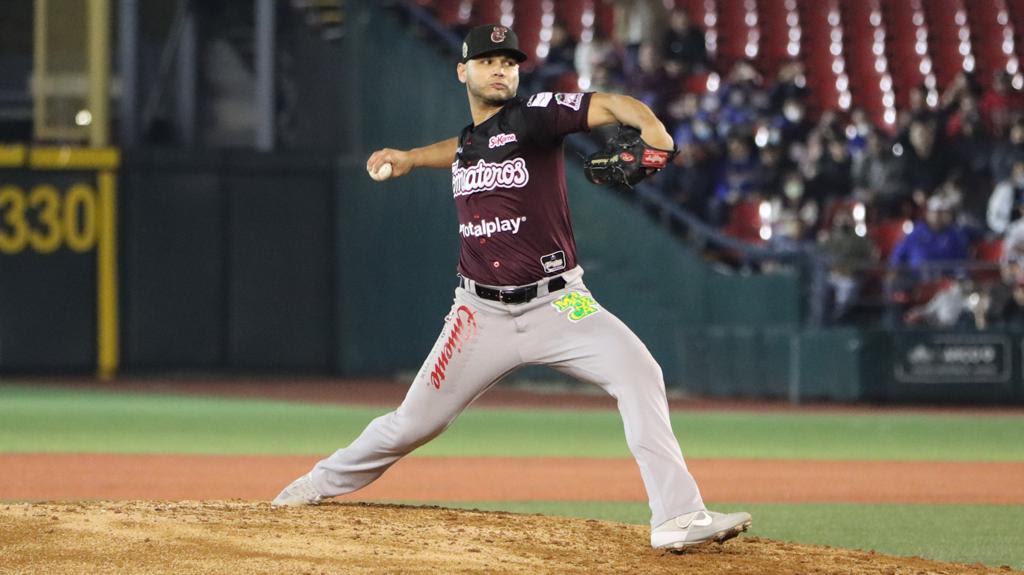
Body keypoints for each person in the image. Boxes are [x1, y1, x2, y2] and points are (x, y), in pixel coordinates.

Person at [271, 24, 751, 551]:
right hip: (477, 315)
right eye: (487, 61)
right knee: (411, 424)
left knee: (640, 373)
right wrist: (410, 157)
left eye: (508, 62)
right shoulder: (470, 142)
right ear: (463, 72)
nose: (501, 69)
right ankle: (314, 485)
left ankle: (677, 516)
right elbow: (461, 149)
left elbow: (615, 105)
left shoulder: (536, 116)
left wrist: (656, 134)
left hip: (560, 303)